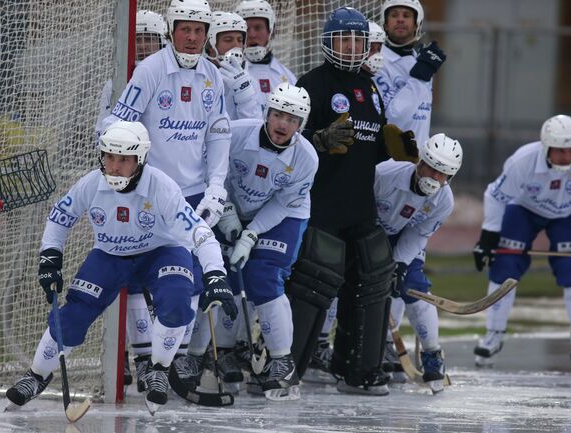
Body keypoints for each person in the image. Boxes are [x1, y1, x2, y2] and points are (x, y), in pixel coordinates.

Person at [4, 121, 237, 414]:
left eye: (123, 159)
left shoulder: (162, 187)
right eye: (109, 157)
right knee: (73, 316)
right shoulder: (91, 183)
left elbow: (200, 233)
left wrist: (216, 274)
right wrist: (50, 257)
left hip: (161, 253)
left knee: (177, 301)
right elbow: (59, 217)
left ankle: (158, 370)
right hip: (110, 255)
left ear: (140, 160)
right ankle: (36, 375)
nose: (113, 166)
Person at [98, 0, 233, 390]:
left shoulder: (212, 75)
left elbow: (219, 135)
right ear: (172, 30)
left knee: (186, 277)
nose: (191, 37)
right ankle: (143, 361)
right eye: (184, 29)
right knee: (140, 274)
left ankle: (172, 362)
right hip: (149, 191)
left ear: (206, 34)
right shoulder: (151, 68)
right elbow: (123, 121)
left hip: (191, 195)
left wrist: (216, 187)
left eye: (198, 30)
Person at [288, 7, 413, 396]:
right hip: (320, 206)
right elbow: (283, 142)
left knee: (375, 280)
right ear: (328, 42)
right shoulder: (312, 84)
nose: (351, 46)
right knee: (313, 284)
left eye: (358, 40)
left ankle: (358, 369)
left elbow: (368, 148)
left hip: (360, 205)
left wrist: (391, 146)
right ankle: (286, 366)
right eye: (343, 39)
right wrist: (318, 141)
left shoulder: (369, 87)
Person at [174, 83, 317, 401]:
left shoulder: (306, 158)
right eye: (278, 115)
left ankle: (282, 362)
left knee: (262, 277)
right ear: (267, 113)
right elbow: (210, 171)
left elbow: (284, 203)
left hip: (282, 216)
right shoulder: (236, 134)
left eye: (292, 120)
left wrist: (251, 234)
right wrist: (225, 211)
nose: (283, 124)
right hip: (229, 206)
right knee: (210, 274)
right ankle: (193, 356)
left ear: (301, 126)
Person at [472, 114, 571, 370]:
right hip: (524, 209)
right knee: (504, 265)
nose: (566, 156)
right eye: (560, 150)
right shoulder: (523, 161)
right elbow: (495, 196)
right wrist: (488, 236)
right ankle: (494, 334)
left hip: (566, 214)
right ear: (546, 147)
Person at [93, 9, 168, 392]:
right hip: (121, 190)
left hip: (155, 190)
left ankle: (145, 357)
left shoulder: (164, 78)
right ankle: (118, 356)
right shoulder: (117, 82)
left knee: (151, 276)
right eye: (137, 39)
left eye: (149, 39)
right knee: (117, 274)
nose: (142, 46)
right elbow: (100, 130)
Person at [376, 133, 462, 393]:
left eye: (442, 174)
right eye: (431, 169)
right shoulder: (384, 174)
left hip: (405, 237)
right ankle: (324, 345)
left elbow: (419, 234)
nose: (434, 178)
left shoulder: (444, 200)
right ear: (420, 162)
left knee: (412, 286)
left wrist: (399, 264)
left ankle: (432, 354)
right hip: (369, 231)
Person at [375, 0, 446, 149]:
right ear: (385, 24)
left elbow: (421, 114)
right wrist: (420, 77)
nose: (400, 19)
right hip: (389, 160)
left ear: (416, 24)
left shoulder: (421, 61)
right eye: (394, 15)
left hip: (419, 157)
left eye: (406, 15)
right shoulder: (376, 62)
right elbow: (392, 119)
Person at [234, 0, 296, 111]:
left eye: (258, 28)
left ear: (271, 31)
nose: (252, 35)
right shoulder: (230, 74)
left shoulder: (288, 78)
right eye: (246, 29)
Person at [204, 11, 262, 120]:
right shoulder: (199, 76)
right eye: (228, 40)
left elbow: (254, 126)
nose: (236, 45)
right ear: (210, 45)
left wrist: (245, 96)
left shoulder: (249, 81)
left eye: (240, 40)